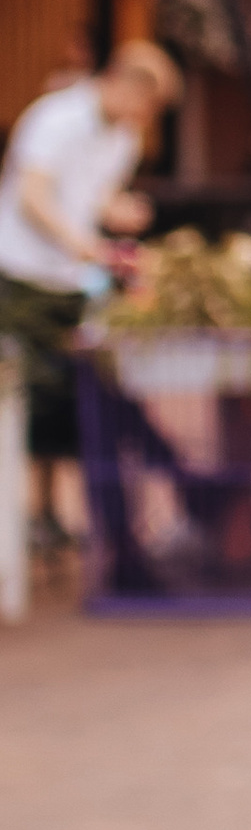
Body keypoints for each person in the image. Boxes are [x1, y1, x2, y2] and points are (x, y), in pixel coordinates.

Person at [0, 41, 181, 546]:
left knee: (64, 402)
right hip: (21, 275)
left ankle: (50, 514)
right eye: (147, 103)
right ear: (126, 82)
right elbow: (31, 197)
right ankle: (29, 515)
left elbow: (91, 196)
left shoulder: (123, 138)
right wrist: (82, 245)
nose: (146, 116)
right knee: (29, 399)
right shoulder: (56, 118)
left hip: (69, 281)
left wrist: (118, 213)